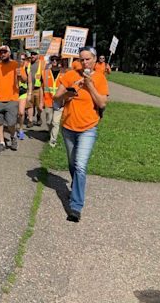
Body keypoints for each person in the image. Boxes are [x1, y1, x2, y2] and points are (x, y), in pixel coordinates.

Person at [53, 46, 108, 222]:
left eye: (88, 59)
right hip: (68, 126)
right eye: (81, 59)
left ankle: (76, 207)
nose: (84, 62)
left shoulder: (99, 78)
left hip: (88, 128)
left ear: (94, 59)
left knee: (80, 165)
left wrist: (90, 84)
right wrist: (71, 91)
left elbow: (102, 103)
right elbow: (57, 97)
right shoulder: (70, 74)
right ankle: (77, 185)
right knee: (72, 163)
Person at [41, 55, 65, 147]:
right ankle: (50, 133)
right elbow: (41, 88)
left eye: (57, 60)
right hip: (48, 100)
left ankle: (53, 141)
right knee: (48, 121)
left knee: (55, 122)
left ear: (60, 61)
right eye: (53, 60)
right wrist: (41, 101)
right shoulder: (45, 72)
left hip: (60, 101)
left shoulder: (64, 73)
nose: (55, 61)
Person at [25, 50, 44, 127]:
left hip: (38, 89)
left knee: (39, 107)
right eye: (32, 54)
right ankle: (30, 121)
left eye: (34, 54)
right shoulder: (28, 64)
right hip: (29, 89)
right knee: (29, 105)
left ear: (38, 55)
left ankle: (39, 116)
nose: (32, 56)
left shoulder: (41, 64)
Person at [17, 52, 32, 140]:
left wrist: (29, 94)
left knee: (21, 113)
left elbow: (29, 82)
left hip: (23, 92)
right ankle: (14, 129)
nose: (21, 61)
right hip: (14, 92)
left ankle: (21, 129)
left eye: (23, 59)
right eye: (19, 58)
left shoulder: (26, 68)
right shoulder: (14, 67)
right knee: (14, 113)